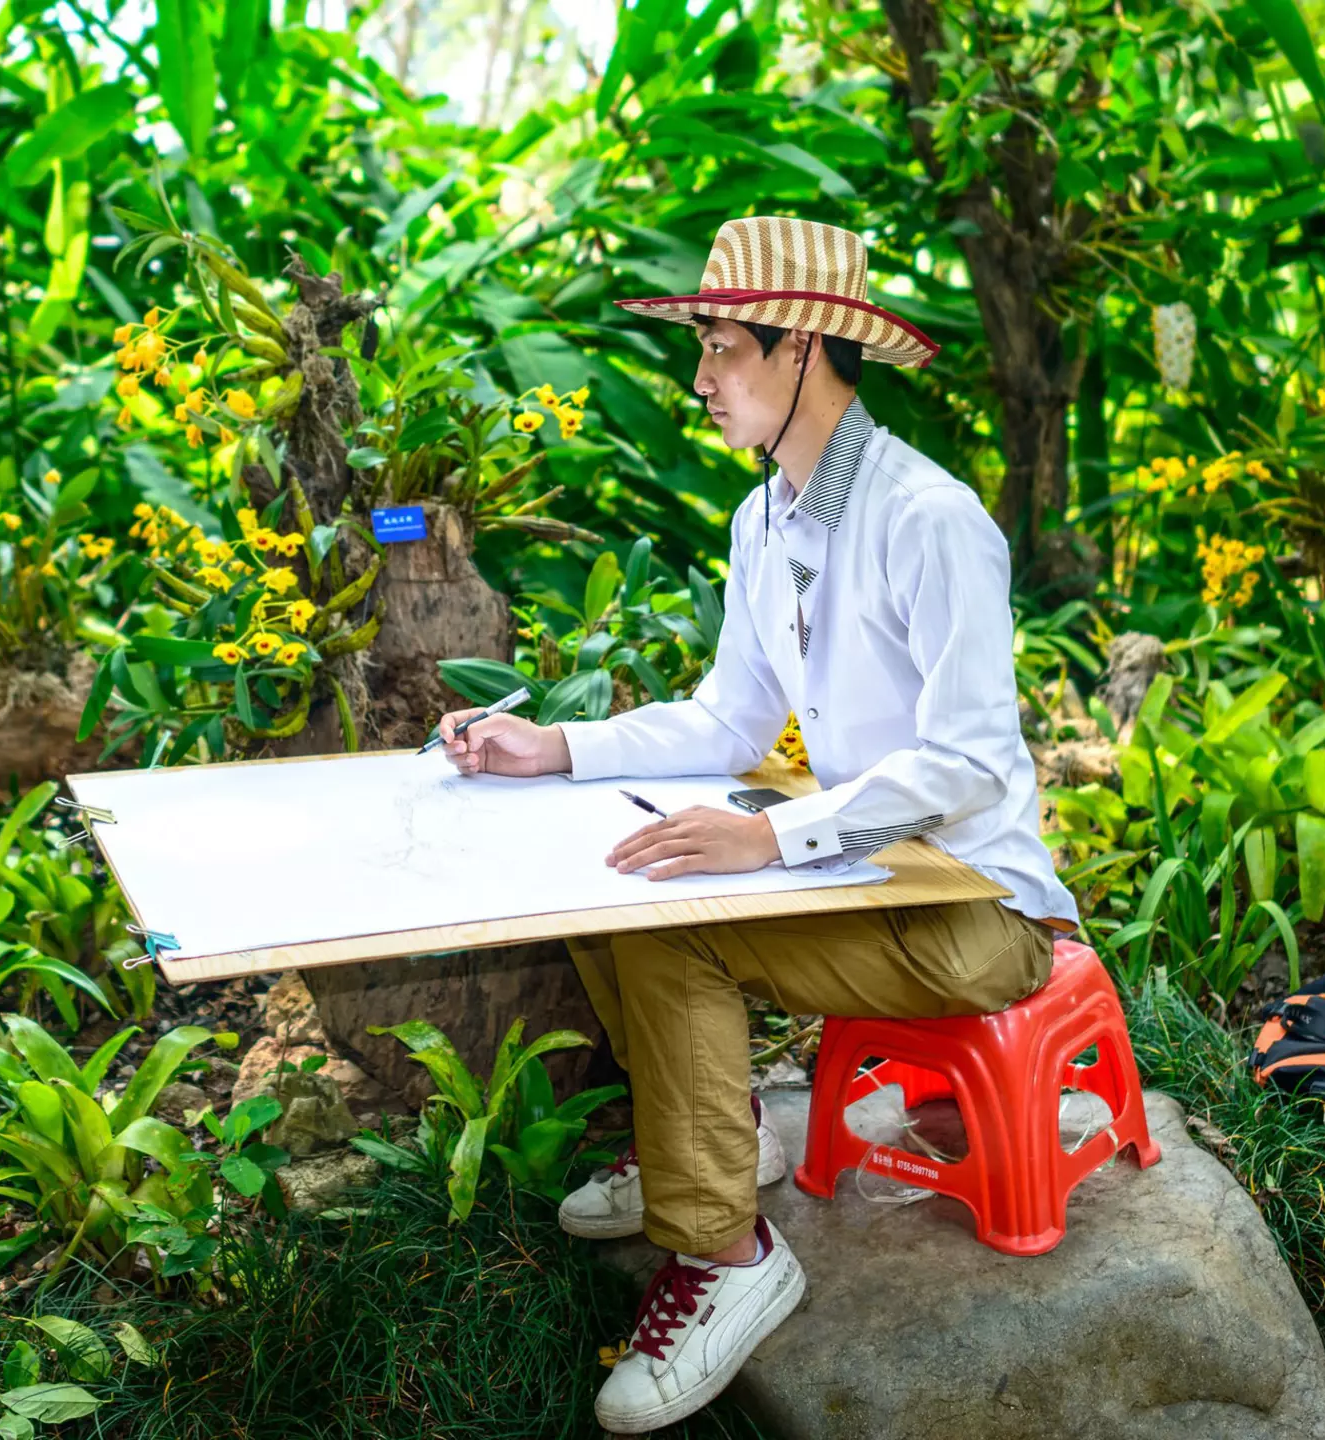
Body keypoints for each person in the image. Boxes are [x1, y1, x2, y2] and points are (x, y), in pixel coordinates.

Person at [435, 215, 1079, 1435]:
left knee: (676, 927)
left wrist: (770, 840)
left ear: (805, 347)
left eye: (723, 347)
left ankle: (728, 1253)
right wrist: (555, 748)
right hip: (870, 873)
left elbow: (965, 762)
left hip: (976, 908)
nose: (702, 378)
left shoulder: (929, 518)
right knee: (600, 871)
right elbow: (731, 717)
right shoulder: (764, 519)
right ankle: (716, 1137)